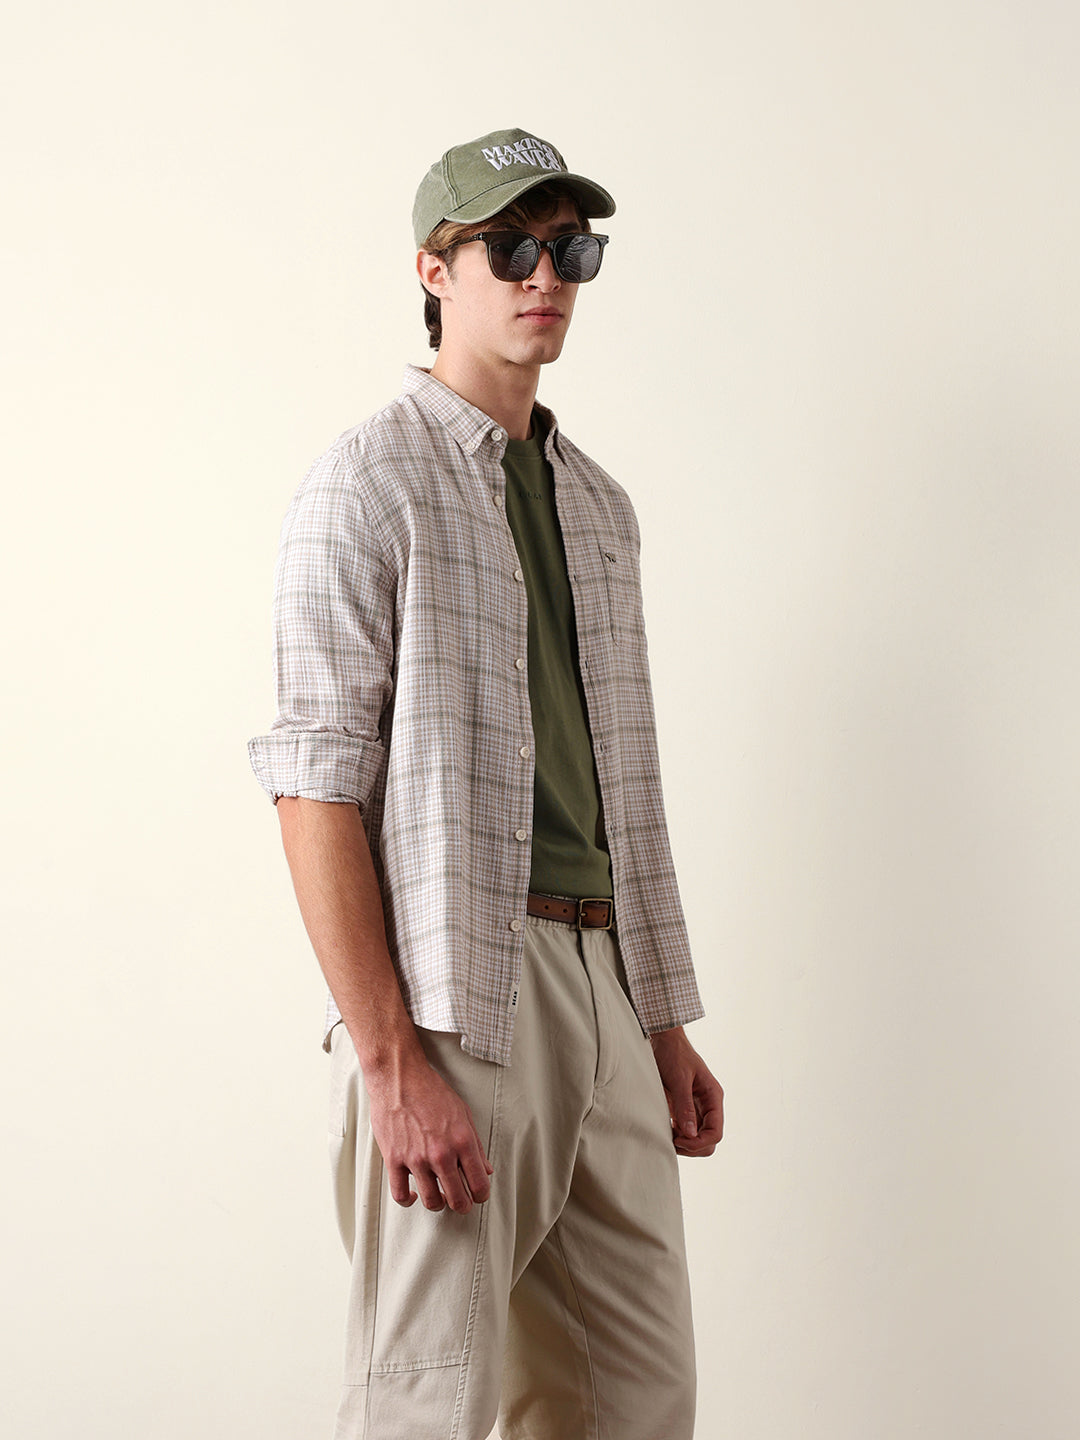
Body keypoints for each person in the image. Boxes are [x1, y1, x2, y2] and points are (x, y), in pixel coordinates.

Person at [248, 125, 724, 1440]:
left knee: (638, 1400)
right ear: (433, 270)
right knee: (428, 1400)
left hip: (606, 985)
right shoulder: (368, 481)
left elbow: (619, 782)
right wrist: (391, 1061)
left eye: (569, 250)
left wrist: (661, 1024)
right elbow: (313, 788)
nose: (544, 277)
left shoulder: (599, 507)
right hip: (460, 992)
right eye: (509, 248)